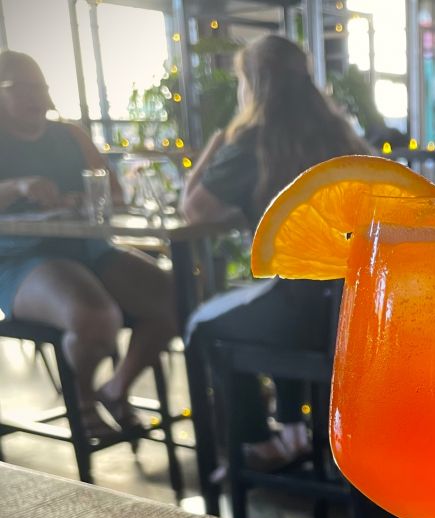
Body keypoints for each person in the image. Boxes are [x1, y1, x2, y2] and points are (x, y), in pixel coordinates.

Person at [183, 35, 370, 473]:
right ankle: (294, 429)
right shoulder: (338, 130)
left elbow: (194, 209)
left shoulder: (253, 139)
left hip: (299, 310)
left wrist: (215, 142)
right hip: (350, 311)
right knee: (269, 301)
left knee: (203, 326)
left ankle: (259, 442)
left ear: (252, 84)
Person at [0, 51, 175, 437]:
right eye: (21, 88)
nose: (36, 96)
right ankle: (80, 400)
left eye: (40, 86)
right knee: (94, 317)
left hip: (89, 248)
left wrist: (79, 199)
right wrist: (16, 187)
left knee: (175, 297)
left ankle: (116, 388)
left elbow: (112, 193)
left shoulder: (70, 134)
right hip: (19, 259)